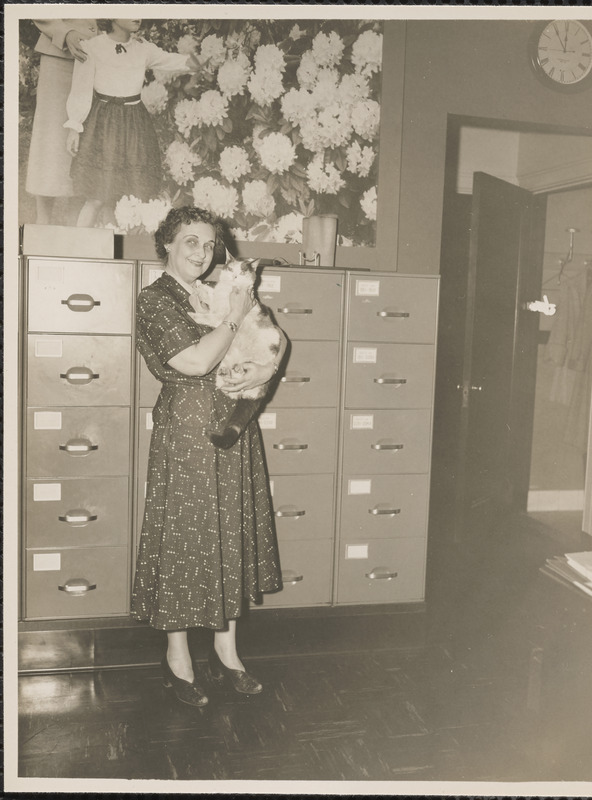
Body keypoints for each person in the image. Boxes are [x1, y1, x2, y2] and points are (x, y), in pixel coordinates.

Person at [131, 206, 286, 707]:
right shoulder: (155, 300)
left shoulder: (218, 291)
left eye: (208, 243)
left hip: (234, 425)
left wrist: (261, 375)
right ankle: (178, 656)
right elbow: (195, 360)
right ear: (168, 247)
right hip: (189, 430)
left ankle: (227, 652)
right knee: (185, 535)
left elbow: (274, 344)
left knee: (231, 529)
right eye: (189, 242)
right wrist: (237, 313)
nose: (201, 252)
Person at [64, 19, 199, 228]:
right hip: (104, 126)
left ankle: (122, 244)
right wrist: (74, 126)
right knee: (97, 196)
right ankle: (78, 249)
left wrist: (203, 62)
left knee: (134, 192)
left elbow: (172, 60)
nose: (137, 16)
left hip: (135, 127)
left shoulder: (143, 48)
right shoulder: (92, 47)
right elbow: (80, 89)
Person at [25, 18, 98, 225]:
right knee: (51, 137)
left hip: (99, 53)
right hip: (59, 55)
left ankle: (74, 225)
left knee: (83, 139)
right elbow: (37, 8)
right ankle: (43, 222)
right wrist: (65, 33)